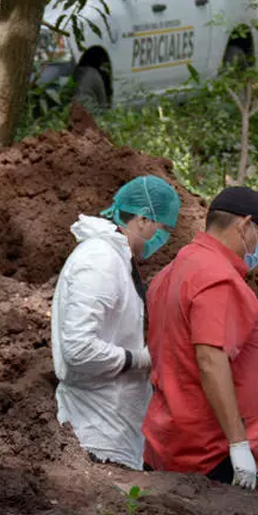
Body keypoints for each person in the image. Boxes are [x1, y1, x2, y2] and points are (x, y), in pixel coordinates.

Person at [143, 186, 258, 491]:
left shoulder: (174, 270)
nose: (254, 249)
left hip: (174, 438)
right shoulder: (216, 277)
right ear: (245, 226)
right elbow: (210, 360)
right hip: (209, 455)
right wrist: (238, 444)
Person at [51, 175, 181, 470]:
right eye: (164, 229)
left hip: (114, 423)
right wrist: (139, 359)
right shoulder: (100, 261)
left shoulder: (117, 259)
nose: (164, 239)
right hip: (96, 428)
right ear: (143, 220)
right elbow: (79, 349)